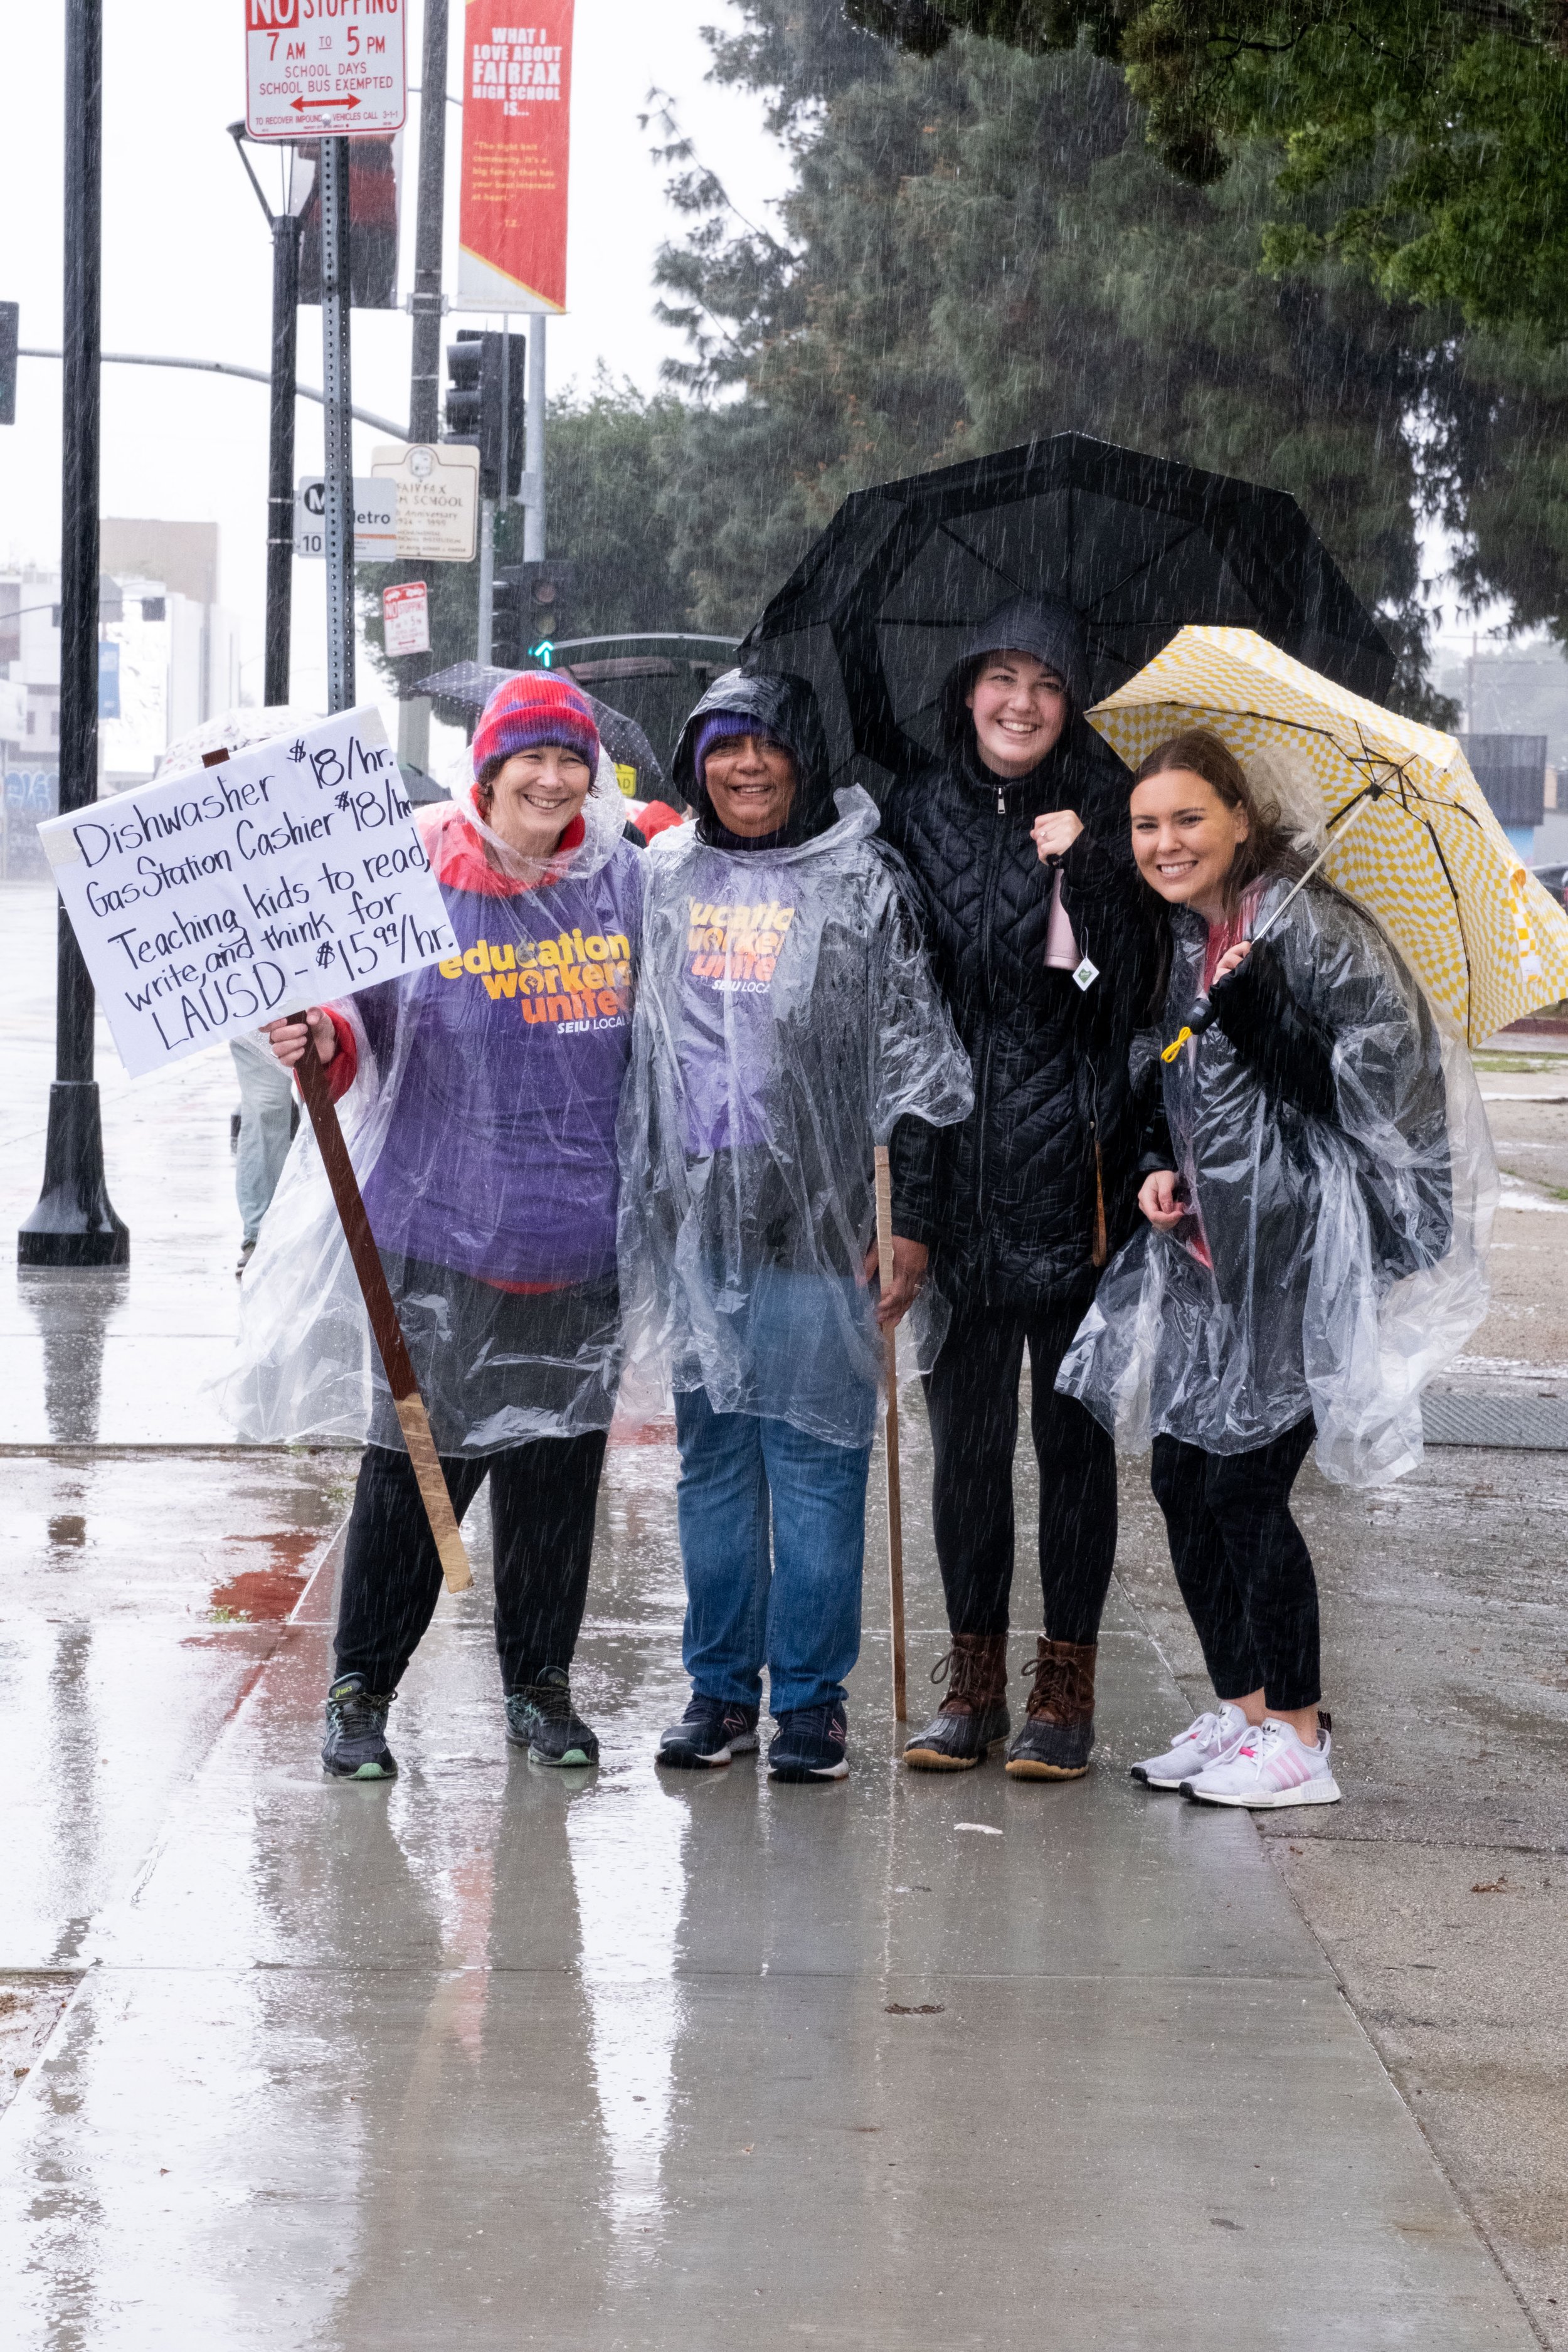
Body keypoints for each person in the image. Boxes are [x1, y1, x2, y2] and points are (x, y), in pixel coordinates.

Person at [1059, 727, 1486, 1808]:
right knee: (1182, 1477)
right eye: (1147, 825)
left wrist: (1265, 1021)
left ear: (1242, 819)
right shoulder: (1195, 934)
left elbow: (1381, 1102)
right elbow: (1170, 1073)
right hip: (1215, 1257)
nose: (1165, 843)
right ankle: (1245, 1708)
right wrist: (1159, 1163)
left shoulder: (1315, 932)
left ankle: (1300, 1733)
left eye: (1189, 819)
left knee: (1246, 1486)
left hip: (1310, 1258)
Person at [229, 672, 644, 1781]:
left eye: (571, 760)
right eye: (531, 759)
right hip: (438, 1229)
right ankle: (361, 1691)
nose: (552, 780)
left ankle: (541, 1691)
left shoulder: (622, 883)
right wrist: (316, 1037)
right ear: (489, 768)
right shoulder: (414, 873)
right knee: (416, 1476)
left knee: (558, 1479)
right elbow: (355, 1024)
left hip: (580, 1235)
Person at [618, 668, 973, 1783]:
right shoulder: (665, 878)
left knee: (819, 1470)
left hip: (825, 1231)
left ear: (806, 759)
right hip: (698, 1226)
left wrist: (908, 1216)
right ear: (696, 760)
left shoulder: (864, 883)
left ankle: (811, 1707)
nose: (749, 765)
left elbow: (919, 1061)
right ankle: (720, 1691)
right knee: (714, 1470)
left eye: (770, 743)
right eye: (726, 744)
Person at [879, 597, 1158, 1779]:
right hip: (954, 1181)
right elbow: (901, 1013)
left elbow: (1134, 993)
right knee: (966, 1450)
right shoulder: (920, 813)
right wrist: (907, 1211)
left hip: (1081, 1185)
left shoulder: (1114, 808)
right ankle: (975, 1688)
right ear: (968, 690)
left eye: (1046, 681)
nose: (1021, 701)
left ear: (1072, 701)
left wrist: (1088, 871)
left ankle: (1066, 1695)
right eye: (1002, 676)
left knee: (1074, 1450)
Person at [230, 1033, 297, 1276]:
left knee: (349, 1105)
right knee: (264, 1110)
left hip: (346, 1001)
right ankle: (260, 1237)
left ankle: (357, 1229)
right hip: (262, 1009)